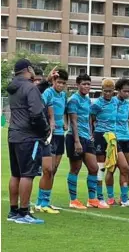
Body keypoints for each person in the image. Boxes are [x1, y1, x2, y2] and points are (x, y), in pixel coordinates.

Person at [7, 59, 50, 224]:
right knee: (28, 174)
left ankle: (13, 211)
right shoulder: (30, 88)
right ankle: (24, 213)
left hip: (14, 135)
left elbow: (28, 94)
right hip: (28, 137)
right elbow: (36, 113)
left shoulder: (13, 87)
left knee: (16, 174)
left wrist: (45, 82)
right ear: (28, 69)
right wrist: (45, 131)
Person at [66, 74, 103, 210]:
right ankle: (73, 200)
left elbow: (88, 119)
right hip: (74, 138)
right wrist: (77, 141)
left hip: (86, 138)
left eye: (88, 84)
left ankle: (92, 199)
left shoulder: (87, 100)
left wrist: (90, 133)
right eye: (84, 84)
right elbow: (73, 121)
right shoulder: (74, 100)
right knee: (75, 168)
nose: (87, 86)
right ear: (77, 85)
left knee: (94, 168)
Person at [35, 69, 69, 214]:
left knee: (53, 170)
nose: (61, 85)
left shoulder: (63, 95)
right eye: (59, 82)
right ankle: (40, 202)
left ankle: (45, 201)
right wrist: (51, 122)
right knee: (48, 170)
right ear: (54, 81)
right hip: (50, 135)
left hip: (61, 134)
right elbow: (41, 107)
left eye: (63, 83)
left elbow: (64, 110)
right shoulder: (48, 92)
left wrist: (65, 122)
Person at [105, 78, 129, 207]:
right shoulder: (112, 102)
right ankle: (110, 197)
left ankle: (124, 198)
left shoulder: (128, 104)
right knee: (112, 169)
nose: (127, 94)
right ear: (118, 90)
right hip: (115, 139)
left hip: (126, 138)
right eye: (125, 91)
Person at [91, 79, 116, 208]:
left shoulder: (115, 102)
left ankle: (111, 196)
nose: (107, 94)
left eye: (110, 91)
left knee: (111, 165)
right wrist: (92, 132)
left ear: (113, 91)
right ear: (101, 91)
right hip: (100, 135)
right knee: (100, 167)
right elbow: (91, 117)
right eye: (105, 91)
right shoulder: (97, 103)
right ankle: (99, 197)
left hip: (112, 137)